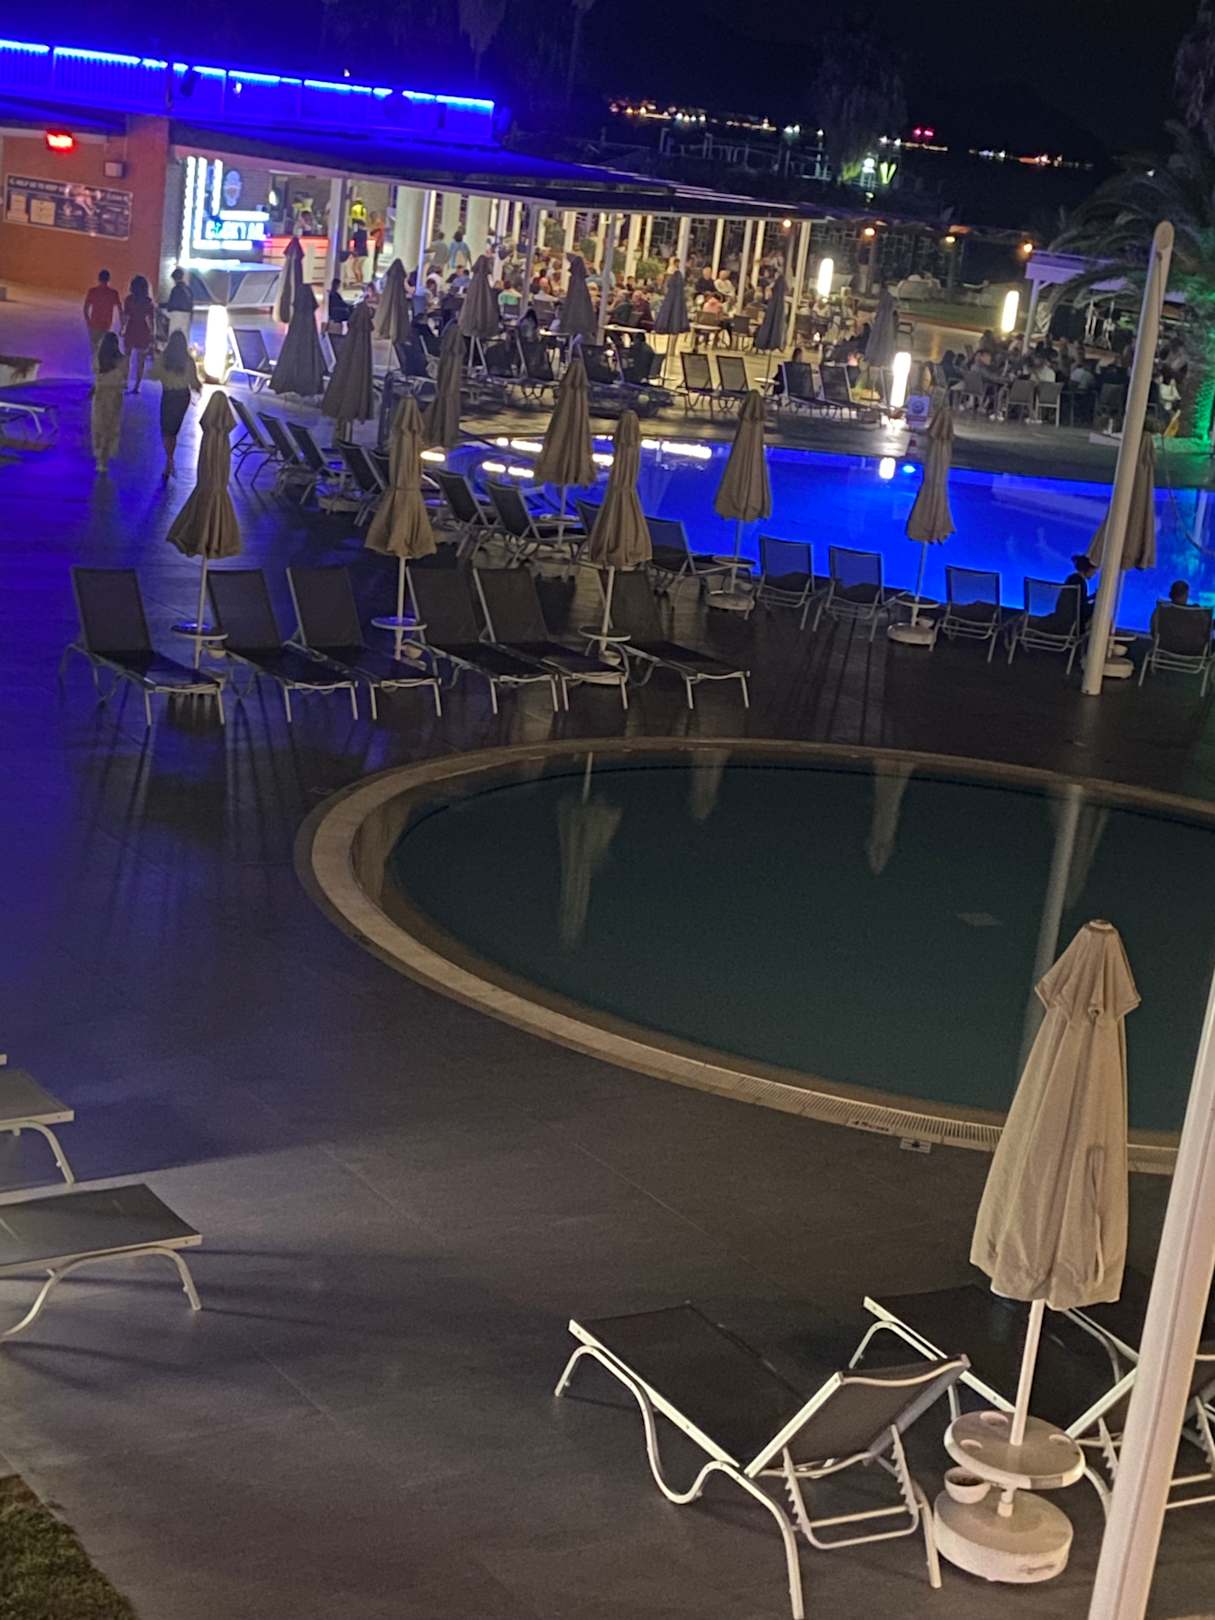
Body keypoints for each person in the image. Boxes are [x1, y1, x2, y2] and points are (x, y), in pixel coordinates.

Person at [150, 330, 202, 480]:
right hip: (182, 397)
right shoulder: (188, 361)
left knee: (166, 429)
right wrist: (198, 388)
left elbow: (154, 375)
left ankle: (169, 458)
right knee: (173, 429)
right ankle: (170, 459)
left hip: (168, 395)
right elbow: (194, 381)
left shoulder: (164, 359)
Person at [90, 331, 127, 474]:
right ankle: (104, 459)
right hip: (115, 397)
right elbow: (124, 379)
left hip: (100, 396)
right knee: (111, 427)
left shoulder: (98, 358)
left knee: (98, 425)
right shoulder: (122, 360)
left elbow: (95, 372)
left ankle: (99, 456)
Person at [122, 274, 155, 393]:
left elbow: (125, 316)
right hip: (143, 329)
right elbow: (151, 320)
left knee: (126, 357)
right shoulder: (148, 302)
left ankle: (125, 382)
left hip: (131, 328)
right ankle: (137, 386)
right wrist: (152, 334)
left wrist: (122, 328)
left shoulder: (129, 300)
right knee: (141, 361)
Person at [83, 269, 122, 359]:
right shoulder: (113, 293)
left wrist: (88, 322)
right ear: (108, 279)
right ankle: (100, 365)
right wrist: (122, 325)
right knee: (103, 350)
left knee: (94, 349)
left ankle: (95, 365)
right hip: (106, 325)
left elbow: (85, 309)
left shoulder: (93, 291)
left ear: (98, 279)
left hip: (94, 324)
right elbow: (120, 310)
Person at [162, 267, 194, 342]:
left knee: (173, 335)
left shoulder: (175, 289)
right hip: (187, 316)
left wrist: (161, 306)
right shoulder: (188, 290)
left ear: (174, 279)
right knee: (184, 336)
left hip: (176, 315)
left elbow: (170, 305)